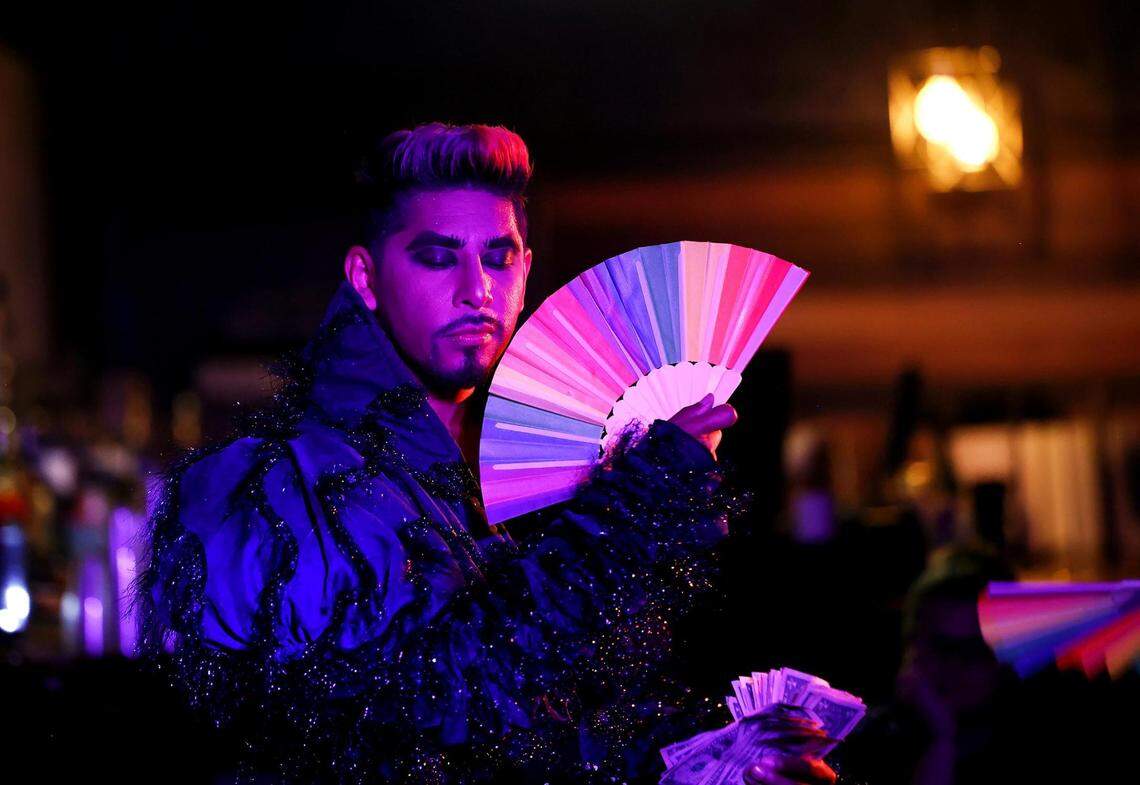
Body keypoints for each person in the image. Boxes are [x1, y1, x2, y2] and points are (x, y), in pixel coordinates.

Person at [135, 122, 833, 785]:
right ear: (366, 276)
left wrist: (701, 759)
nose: (477, 290)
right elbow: (421, 717)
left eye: (498, 257)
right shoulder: (270, 487)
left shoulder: (503, 490)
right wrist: (629, 514)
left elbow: (543, 733)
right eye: (437, 257)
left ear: (527, 270)